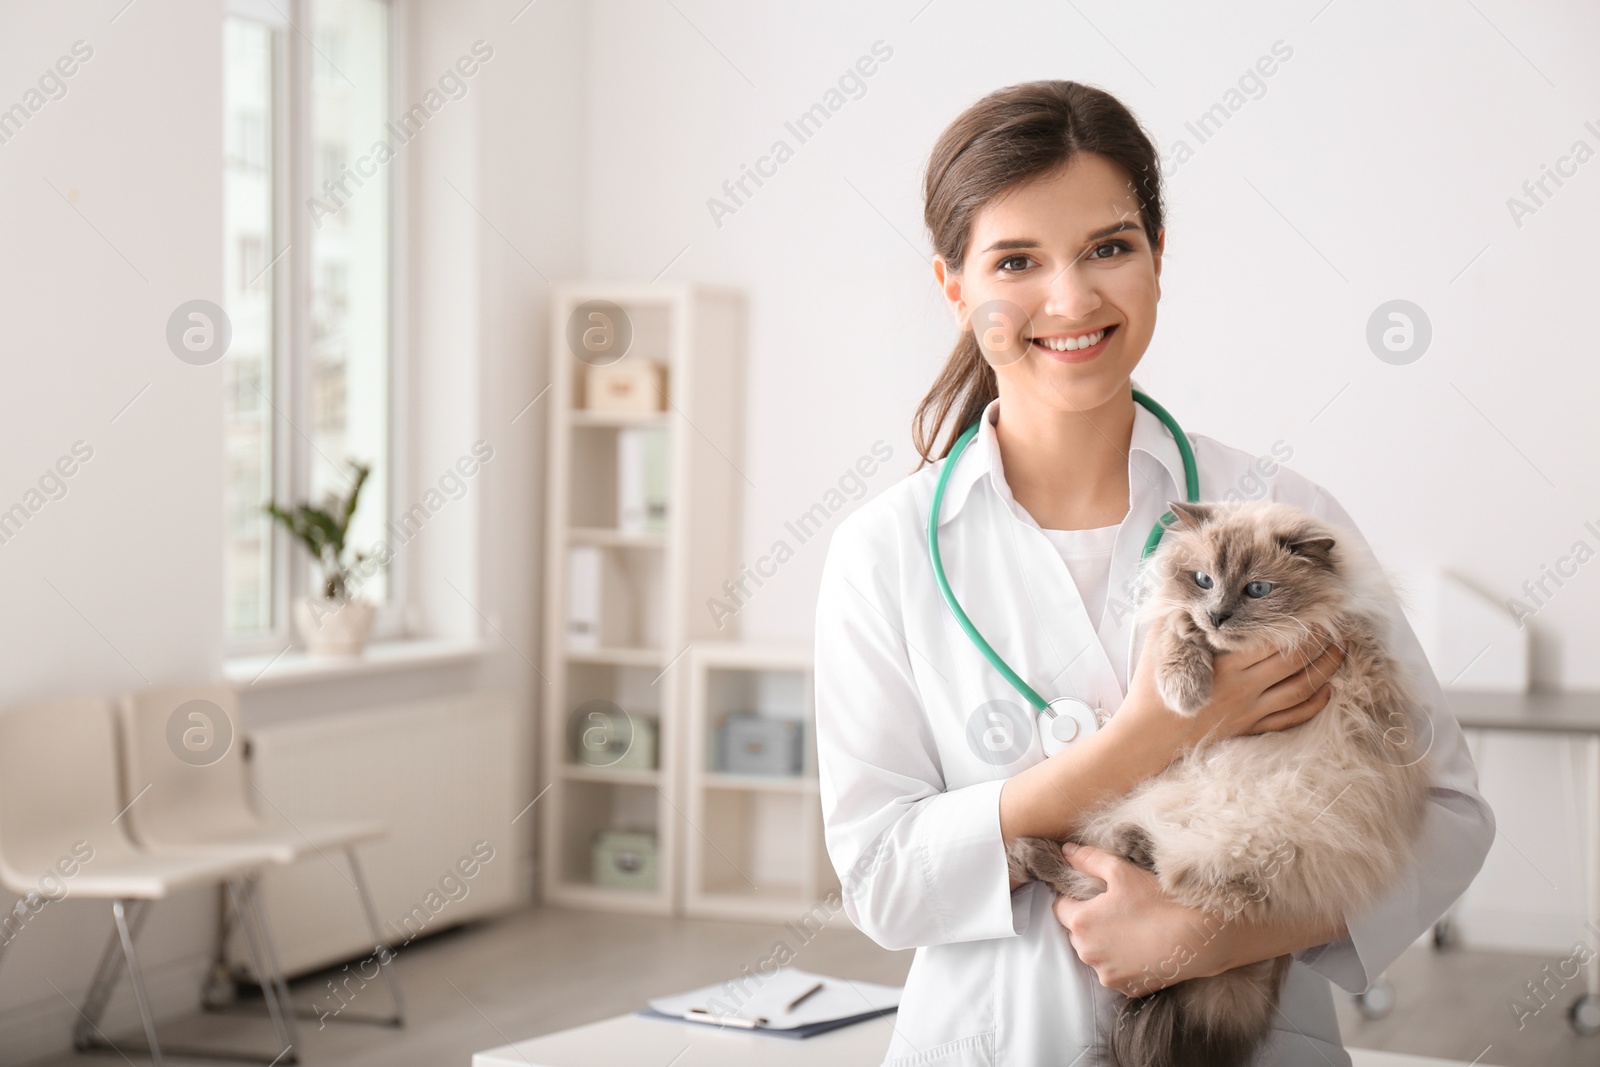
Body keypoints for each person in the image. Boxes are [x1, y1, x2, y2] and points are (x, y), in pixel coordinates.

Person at [812, 80, 1495, 1066]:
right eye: (1015, 260)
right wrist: (1145, 739)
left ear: (1158, 257)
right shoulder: (882, 551)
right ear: (955, 288)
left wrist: (1213, 933)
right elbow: (880, 877)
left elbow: (1448, 815)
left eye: (1109, 246)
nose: (1071, 298)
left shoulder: (1280, 516)